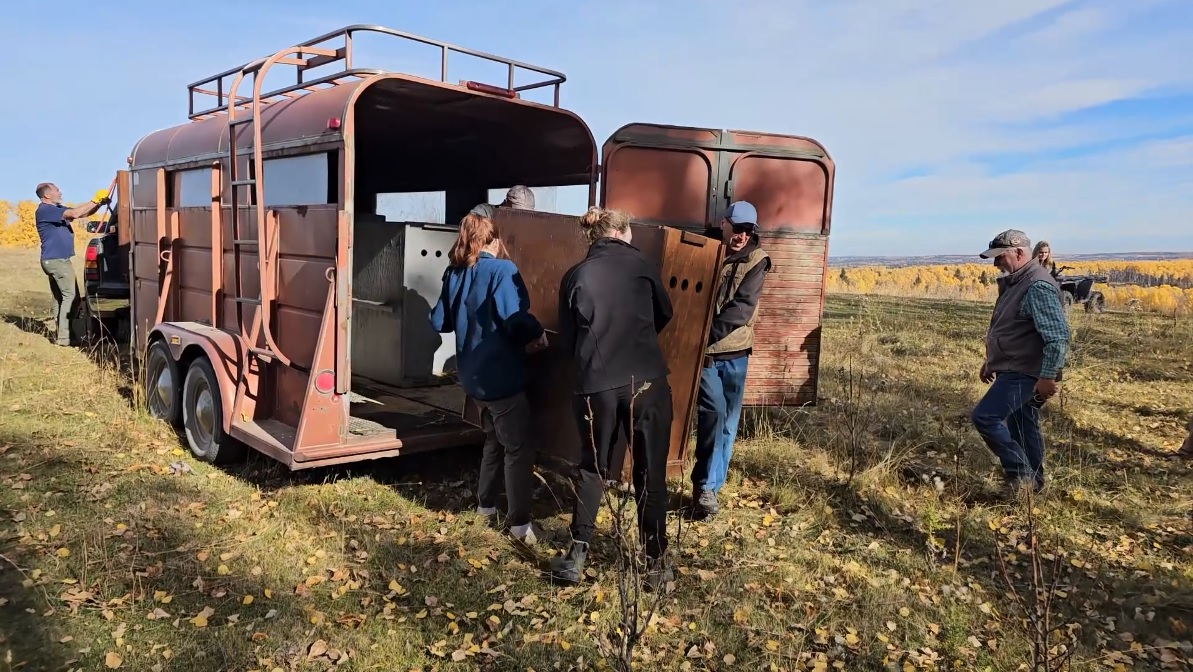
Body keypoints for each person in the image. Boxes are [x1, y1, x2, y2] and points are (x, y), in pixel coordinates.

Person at [550, 206, 676, 591]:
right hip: (647, 381)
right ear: (622, 231)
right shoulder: (642, 266)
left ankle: (577, 554)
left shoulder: (575, 275)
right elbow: (665, 315)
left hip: (596, 385)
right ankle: (655, 562)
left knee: (593, 468)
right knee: (650, 469)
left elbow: (568, 341)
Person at [429, 211, 549, 545]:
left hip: (471, 378)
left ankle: (485, 507)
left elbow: (439, 321)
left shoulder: (455, 272)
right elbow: (515, 320)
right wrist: (537, 332)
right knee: (519, 449)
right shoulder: (502, 270)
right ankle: (519, 526)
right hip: (501, 379)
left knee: (495, 440)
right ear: (493, 239)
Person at [973, 229, 1070, 496]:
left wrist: (1047, 376)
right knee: (1022, 423)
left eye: (999, 256)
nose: (996, 263)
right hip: (1014, 366)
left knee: (985, 417)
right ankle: (1034, 484)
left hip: (1026, 371)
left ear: (1019, 252)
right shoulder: (1019, 281)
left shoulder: (1036, 285)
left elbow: (1058, 336)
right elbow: (1013, 329)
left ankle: (1021, 474)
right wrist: (992, 361)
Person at [691, 201, 771, 517]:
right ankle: (704, 484)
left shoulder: (757, 261)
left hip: (732, 353)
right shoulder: (708, 247)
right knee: (714, 414)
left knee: (727, 424)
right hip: (707, 356)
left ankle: (709, 489)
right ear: (724, 223)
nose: (740, 235)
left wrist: (700, 338)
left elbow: (740, 311)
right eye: (735, 228)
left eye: (746, 230)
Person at [34, 182, 108, 346]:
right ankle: (64, 338)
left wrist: (98, 204)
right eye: (56, 190)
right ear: (47, 195)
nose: (60, 192)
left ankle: (63, 335)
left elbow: (81, 214)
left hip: (54, 259)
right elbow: (75, 213)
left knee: (60, 298)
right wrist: (95, 200)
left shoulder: (57, 209)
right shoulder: (46, 210)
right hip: (57, 260)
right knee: (72, 297)